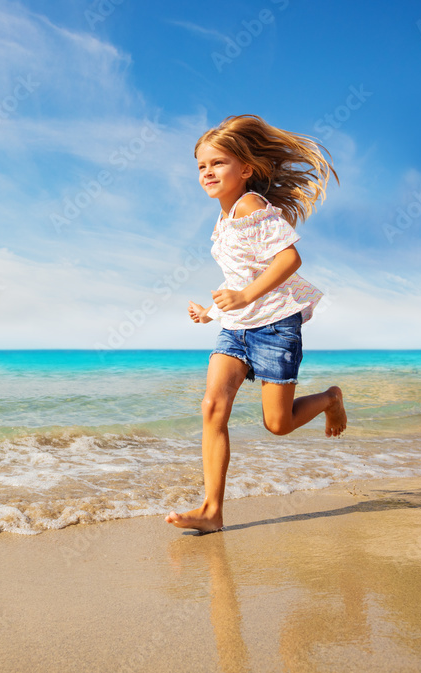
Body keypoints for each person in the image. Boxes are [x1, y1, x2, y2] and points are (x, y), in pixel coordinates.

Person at [166, 114, 348, 533]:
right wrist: (213, 311)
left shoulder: (251, 206)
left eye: (218, 163)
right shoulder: (225, 217)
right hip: (237, 327)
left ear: (245, 169)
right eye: (201, 166)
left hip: (275, 326)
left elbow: (290, 260)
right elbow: (240, 274)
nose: (207, 172)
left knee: (277, 424)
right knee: (213, 406)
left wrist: (245, 297)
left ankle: (330, 398)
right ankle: (212, 511)